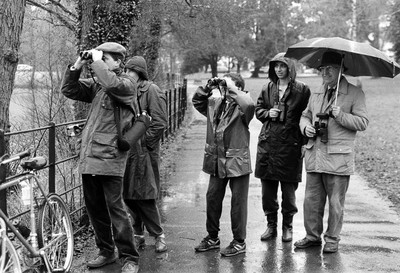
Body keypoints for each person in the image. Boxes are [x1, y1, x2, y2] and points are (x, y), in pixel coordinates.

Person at [61, 42, 139, 273]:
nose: (101, 62)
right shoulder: (99, 86)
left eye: (105, 59)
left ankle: (129, 257)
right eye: (100, 58)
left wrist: (96, 62)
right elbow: (70, 90)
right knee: (95, 209)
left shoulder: (126, 85)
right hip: (90, 157)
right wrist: (78, 64)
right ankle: (106, 251)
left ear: (118, 62)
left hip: (111, 157)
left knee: (115, 209)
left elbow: (111, 82)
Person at [294, 51, 369, 253]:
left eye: (329, 68)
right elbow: (305, 115)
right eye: (322, 69)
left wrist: (341, 115)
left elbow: (362, 123)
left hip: (338, 157)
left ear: (340, 69)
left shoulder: (355, 93)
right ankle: (312, 237)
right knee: (311, 201)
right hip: (315, 154)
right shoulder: (317, 92)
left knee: (335, 204)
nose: (324, 72)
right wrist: (305, 127)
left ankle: (332, 240)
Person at [192, 73, 255, 257]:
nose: (225, 87)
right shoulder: (216, 104)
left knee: (238, 203)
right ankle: (212, 238)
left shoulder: (244, 106)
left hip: (238, 161)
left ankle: (239, 241)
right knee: (212, 198)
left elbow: (249, 104)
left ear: (239, 88)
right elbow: (197, 102)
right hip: (217, 160)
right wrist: (208, 86)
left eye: (230, 84)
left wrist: (231, 87)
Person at [254, 53, 310, 242]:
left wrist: (304, 143)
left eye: (282, 66)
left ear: (290, 68)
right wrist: (267, 113)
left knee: (288, 192)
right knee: (267, 192)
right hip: (268, 145)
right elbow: (258, 111)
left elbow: (306, 117)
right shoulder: (267, 88)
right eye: (276, 66)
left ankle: (288, 226)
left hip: (290, 145)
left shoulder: (302, 90)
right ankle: (271, 226)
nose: (279, 69)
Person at [123, 56, 168, 253]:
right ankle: (138, 235)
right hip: (127, 151)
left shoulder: (151, 90)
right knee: (129, 195)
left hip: (145, 152)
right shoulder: (127, 89)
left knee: (145, 195)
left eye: (130, 71)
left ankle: (158, 235)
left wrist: (142, 142)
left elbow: (160, 122)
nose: (127, 74)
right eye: (125, 70)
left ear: (139, 72)